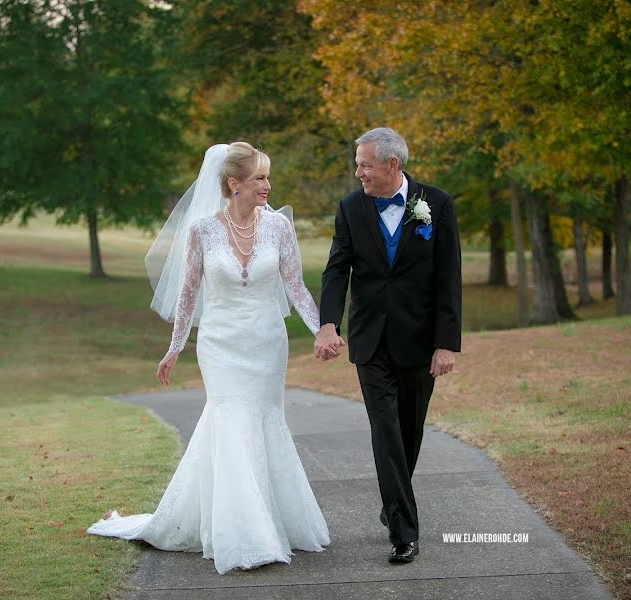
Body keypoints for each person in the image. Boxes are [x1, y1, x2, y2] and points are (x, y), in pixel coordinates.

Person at [87, 142, 330, 574]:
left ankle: (271, 522)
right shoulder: (202, 230)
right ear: (233, 184)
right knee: (231, 420)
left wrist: (323, 331)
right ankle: (247, 536)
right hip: (219, 344)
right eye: (259, 178)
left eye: (267, 177)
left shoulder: (278, 228)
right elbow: (188, 293)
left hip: (266, 343)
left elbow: (296, 287)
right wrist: (175, 347)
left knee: (262, 421)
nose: (267, 185)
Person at [315, 127, 461, 564]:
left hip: (419, 341)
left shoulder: (437, 204)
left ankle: (393, 502)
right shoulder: (351, 208)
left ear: (392, 165)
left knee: (409, 431)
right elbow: (336, 269)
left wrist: (446, 343)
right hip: (370, 340)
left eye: (365, 164)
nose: (358, 172)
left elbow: (448, 279)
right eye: (357, 164)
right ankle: (405, 532)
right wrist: (327, 324)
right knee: (385, 428)